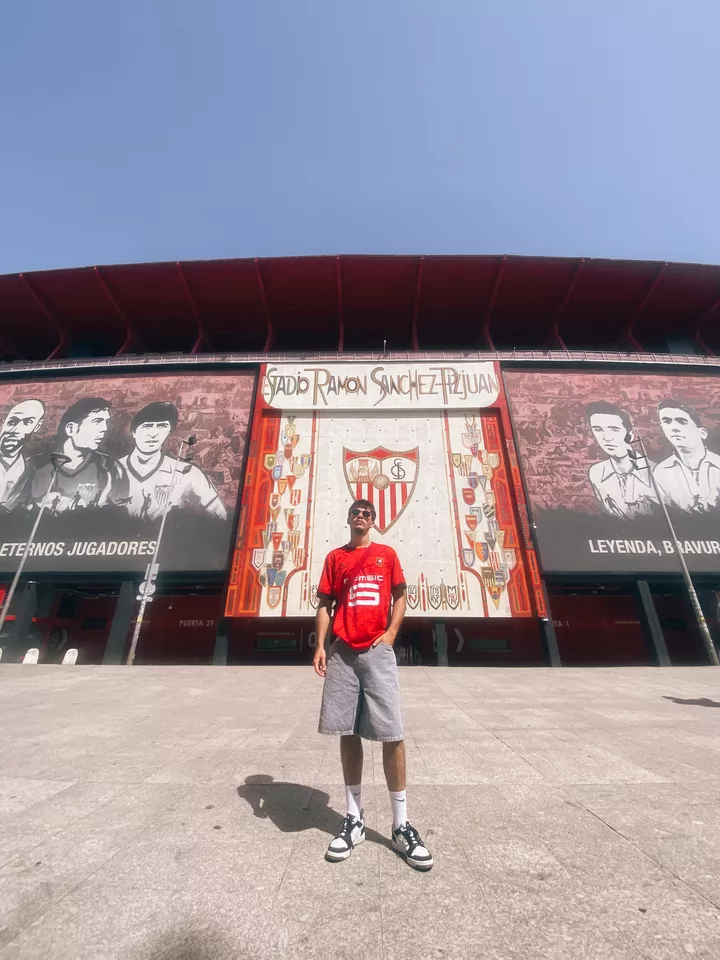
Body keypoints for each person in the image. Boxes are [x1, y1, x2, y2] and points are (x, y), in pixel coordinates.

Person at [312, 499, 433, 871]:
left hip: (377, 651)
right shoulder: (336, 558)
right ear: (348, 518)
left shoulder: (386, 555)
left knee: (392, 733)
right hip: (343, 651)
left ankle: (400, 825)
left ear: (374, 521)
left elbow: (400, 596)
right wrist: (319, 645)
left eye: (367, 513)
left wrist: (392, 633)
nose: (361, 517)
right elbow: (324, 604)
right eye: (356, 512)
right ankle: (354, 818)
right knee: (347, 730)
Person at [119, 402, 227, 521]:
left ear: (168, 431)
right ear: (133, 431)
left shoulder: (188, 472)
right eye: (147, 426)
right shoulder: (111, 469)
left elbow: (220, 516)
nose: (153, 434)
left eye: (161, 426)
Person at [27, 398, 127, 511]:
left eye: (106, 422)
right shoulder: (33, 466)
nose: (104, 429)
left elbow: (120, 514)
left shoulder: (110, 468)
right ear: (71, 429)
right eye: (97, 422)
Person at [585, 401, 657, 518]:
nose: (606, 438)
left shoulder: (656, 471)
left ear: (630, 435)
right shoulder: (596, 472)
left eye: (614, 429)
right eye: (598, 429)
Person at [654, 400, 720, 513]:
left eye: (682, 421)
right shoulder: (660, 472)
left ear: (702, 433)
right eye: (667, 422)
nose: (674, 427)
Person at [0, 399, 45, 509]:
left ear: (37, 426)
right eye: (12, 422)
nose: (15, 430)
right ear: (3, 422)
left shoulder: (31, 469)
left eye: (27, 422)